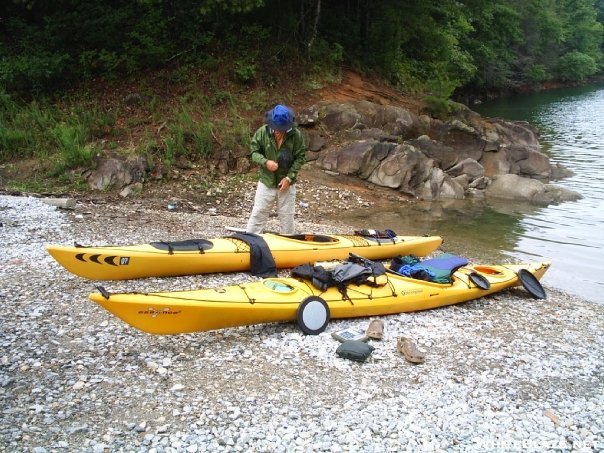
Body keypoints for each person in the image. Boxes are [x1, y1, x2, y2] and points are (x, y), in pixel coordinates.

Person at [246, 104, 307, 234]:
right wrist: (265, 162)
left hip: (287, 184)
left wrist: (289, 178)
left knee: (287, 218)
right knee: (258, 214)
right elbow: (254, 152)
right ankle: (251, 241)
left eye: (283, 129)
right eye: (278, 129)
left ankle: (288, 247)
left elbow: (301, 157)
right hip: (266, 181)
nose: (280, 132)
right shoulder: (263, 132)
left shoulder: (296, 136)